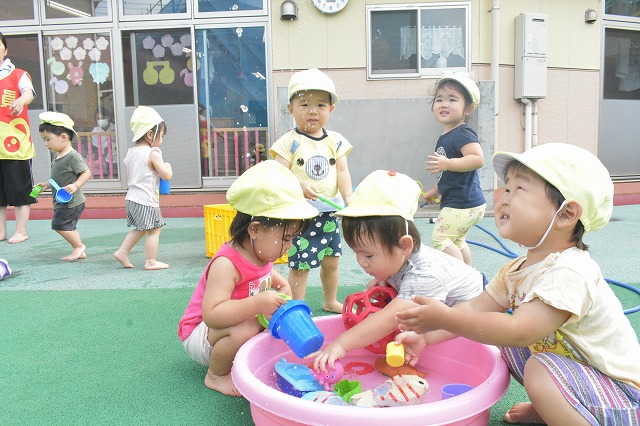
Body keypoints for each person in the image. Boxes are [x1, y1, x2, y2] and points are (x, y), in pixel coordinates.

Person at [396, 144, 640, 425]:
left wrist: (445, 317)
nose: (504, 199)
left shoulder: (570, 271)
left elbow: (520, 331)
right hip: (581, 379)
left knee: (529, 356)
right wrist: (426, 338)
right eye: (507, 188)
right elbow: (474, 310)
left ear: (565, 214)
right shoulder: (516, 269)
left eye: (519, 189)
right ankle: (553, 407)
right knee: (503, 340)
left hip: (622, 397)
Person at [308, 169, 484, 373]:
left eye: (369, 256)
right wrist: (386, 280)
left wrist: (341, 344)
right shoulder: (401, 258)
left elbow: (390, 318)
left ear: (405, 245)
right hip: (444, 306)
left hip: (476, 312)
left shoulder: (424, 275)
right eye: (357, 253)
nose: (361, 263)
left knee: (448, 324)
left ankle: (425, 340)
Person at [178, 160, 318, 396]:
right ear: (254, 229)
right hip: (200, 334)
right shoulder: (227, 264)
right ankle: (216, 375)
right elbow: (212, 315)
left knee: (265, 324)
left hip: (228, 327)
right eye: (286, 238)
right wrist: (258, 304)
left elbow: (282, 284)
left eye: (293, 238)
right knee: (248, 326)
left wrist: (285, 300)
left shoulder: (261, 254)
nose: (289, 245)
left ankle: (244, 357)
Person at [270, 68, 353, 313]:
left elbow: (342, 172)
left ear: (331, 109)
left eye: (320, 105)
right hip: (302, 217)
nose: (313, 111)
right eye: (304, 104)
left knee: (332, 261)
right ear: (291, 109)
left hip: (330, 213)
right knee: (300, 265)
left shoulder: (335, 140)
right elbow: (278, 174)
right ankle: (297, 305)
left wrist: (349, 198)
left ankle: (330, 300)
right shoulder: (288, 142)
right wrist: (298, 184)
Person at [422, 73, 486, 266]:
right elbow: (449, 175)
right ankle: (468, 273)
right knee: (457, 240)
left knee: (440, 239)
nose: (444, 104)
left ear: (468, 109)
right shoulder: (447, 135)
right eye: (439, 99)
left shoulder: (462, 133)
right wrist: (436, 190)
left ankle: (457, 277)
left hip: (462, 203)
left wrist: (448, 163)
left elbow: (477, 159)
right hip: (466, 202)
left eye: (452, 99)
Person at [113, 106, 172, 270]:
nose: (162, 140)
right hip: (146, 199)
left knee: (141, 228)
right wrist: (168, 166)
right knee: (155, 229)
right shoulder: (153, 153)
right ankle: (151, 261)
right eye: (161, 136)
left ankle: (122, 252)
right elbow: (166, 175)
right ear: (150, 134)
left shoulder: (131, 153)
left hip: (131, 198)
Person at [35, 112, 91, 261]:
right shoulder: (58, 156)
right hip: (63, 201)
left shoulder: (73, 156)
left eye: (48, 139)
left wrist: (76, 185)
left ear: (63, 137)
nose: (46, 143)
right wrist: (47, 184)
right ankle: (79, 249)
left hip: (71, 202)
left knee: (59, 225)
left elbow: (86, 172)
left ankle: (78, 246)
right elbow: (57, 178)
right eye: (44, 140)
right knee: (70, 227)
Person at [0, 32, 36, 244]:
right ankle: (1, 231)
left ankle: (21, 231)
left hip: (15, 143)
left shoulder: (18, 74)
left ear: (5, 50)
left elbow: (28, 93)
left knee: (20, 188)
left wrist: (21, 101)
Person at [90, 108, 117, 178]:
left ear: (109, 117)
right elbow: (96, 147)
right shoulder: (95, 131)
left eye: (103, 118)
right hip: (102, 159)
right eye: (98, 118)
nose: (100, 120)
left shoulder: (116, 128)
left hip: (116, 158)